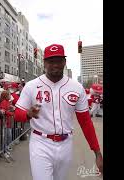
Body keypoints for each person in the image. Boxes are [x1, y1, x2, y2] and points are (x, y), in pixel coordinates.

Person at [14, 44, 103, 180]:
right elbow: (17, 113)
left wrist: (97, 152)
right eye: (51, 61)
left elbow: (85, 122)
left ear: (65, 62)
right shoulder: (32, 86)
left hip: (66, 143)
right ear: (44, 63)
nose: (55, 64)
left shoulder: (76, 87)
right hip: (41, 143)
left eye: (59, 60)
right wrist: (27, 114)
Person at [0, 90, 15, 160]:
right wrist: (11, 113)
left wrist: (11, 109)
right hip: (4, 122)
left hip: (6, 122)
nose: (10, 96)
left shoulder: (7, 102)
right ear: (5, 96)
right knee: (4, 137)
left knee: (7, 136)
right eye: (9, 95)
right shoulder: (4, 102)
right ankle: (3, 151)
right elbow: (3, 111)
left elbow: (6, 109)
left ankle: (5, 149)